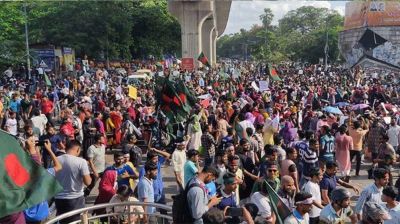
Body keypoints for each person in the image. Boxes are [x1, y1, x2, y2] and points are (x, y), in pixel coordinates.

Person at [54, 140, 91, 224]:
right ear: (78, 149)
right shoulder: (81, 162)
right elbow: (88, 182)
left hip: (59, 198)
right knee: (76, 221)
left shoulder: (56, 160)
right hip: (75, 198)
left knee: (63, 221)